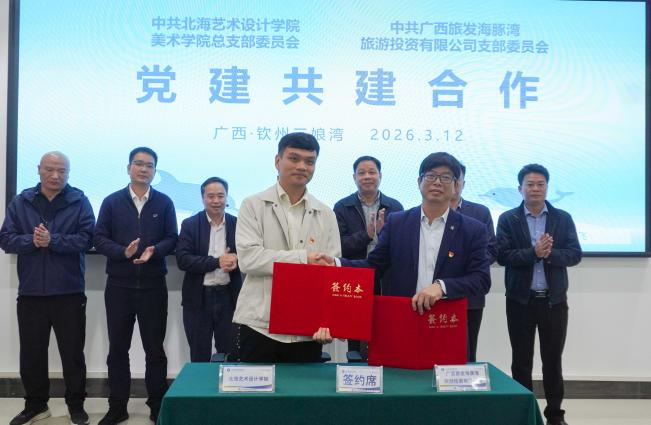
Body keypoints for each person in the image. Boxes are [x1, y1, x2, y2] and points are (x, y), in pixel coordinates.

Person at [331, 152, 490, 319]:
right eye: (430, 176)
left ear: (456, 185)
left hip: (447, 319)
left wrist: (442, 287)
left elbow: (481, 279)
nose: (437, 182)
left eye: (445, 177)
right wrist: (335, 263)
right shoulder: (397, 223)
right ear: (419, 181)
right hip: (403, 315)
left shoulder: (473, 230)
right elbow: (374, 265)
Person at [0, 152, 94, 425]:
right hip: (31, 293)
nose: (56, 175)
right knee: (32, 354)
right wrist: (33, 241)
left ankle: (76, 405)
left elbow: (87, 239)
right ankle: (36, 405)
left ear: (68, 173)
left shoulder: (79, 201)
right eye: (50, 169)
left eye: (62, 171)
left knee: (72, 354)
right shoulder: (21, 201)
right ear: (39, 169)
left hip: (69, 292)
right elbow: (6, 239)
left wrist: (53, 240)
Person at [233, 132, 341, 362]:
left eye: (309, 161)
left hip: (307, 327)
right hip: (260, 324)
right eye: (294, 158)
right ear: (277, 161)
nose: (302, 166)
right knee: (256, 386)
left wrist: (328, 320)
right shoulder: (253, 205)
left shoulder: (326, 213)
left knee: (301, 387)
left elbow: (331, 273)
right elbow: (249, 259)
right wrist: (303, 259)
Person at [94, 147, 178, 425]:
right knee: (118, 349)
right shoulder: (111, 201)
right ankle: (117, 406)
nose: (144, 169)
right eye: (138, 164)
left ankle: (157, 404)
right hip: (119, 287)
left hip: (154, 286)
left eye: (149, 165)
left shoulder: (164, 202)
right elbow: (99, 238)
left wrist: (156, 250)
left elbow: (172, 238)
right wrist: (123, 252)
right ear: (128, 168)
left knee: (155, 350)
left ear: (155, 171)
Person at [496, 163, 582, 425]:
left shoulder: (562, 218)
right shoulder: (508, 219)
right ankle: (524, 414)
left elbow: (574, 254)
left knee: (552, 361)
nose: (535, 189)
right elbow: (502, 256)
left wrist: (549, 254)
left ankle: (555, 415)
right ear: (519, 188)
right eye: (530, 184)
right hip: (520, 301)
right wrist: (533, 253)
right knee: (521, 361)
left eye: (540, 184)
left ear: (547, 187)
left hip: (553, 302)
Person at [333, 155, 403, 358]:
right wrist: (367, 235)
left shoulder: (395, 207)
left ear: (380, 176)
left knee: (386, 325)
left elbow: (402, 245)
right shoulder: (342, 207)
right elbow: (339, 246)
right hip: (355, 273)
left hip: (386, 275)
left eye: (372, 172)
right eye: (361, 173)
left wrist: (383, 235)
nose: (367, 177)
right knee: (354, 327)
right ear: (354, 177)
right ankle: (353, 369)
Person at [176, 177, 242, 362]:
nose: (216, 201)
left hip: (229, 297)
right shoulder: (190, 224)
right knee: (199, 355)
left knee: (229, 354)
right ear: (202, 198)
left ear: (227, 198)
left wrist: (237, 260)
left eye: (220, 196)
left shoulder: (238, 224)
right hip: (199, 299)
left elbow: (249, 254)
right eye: (211, 196)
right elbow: (183, 260)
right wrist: (217, 262)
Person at [449, 161, 497, 362]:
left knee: (467, 353)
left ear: (463, 183)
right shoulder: (425, 213)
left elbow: (492, 249)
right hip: (434, 296)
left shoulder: (480, 212)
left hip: (470, 296)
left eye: (456, 179)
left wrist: (467, 264)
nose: (453, 184)